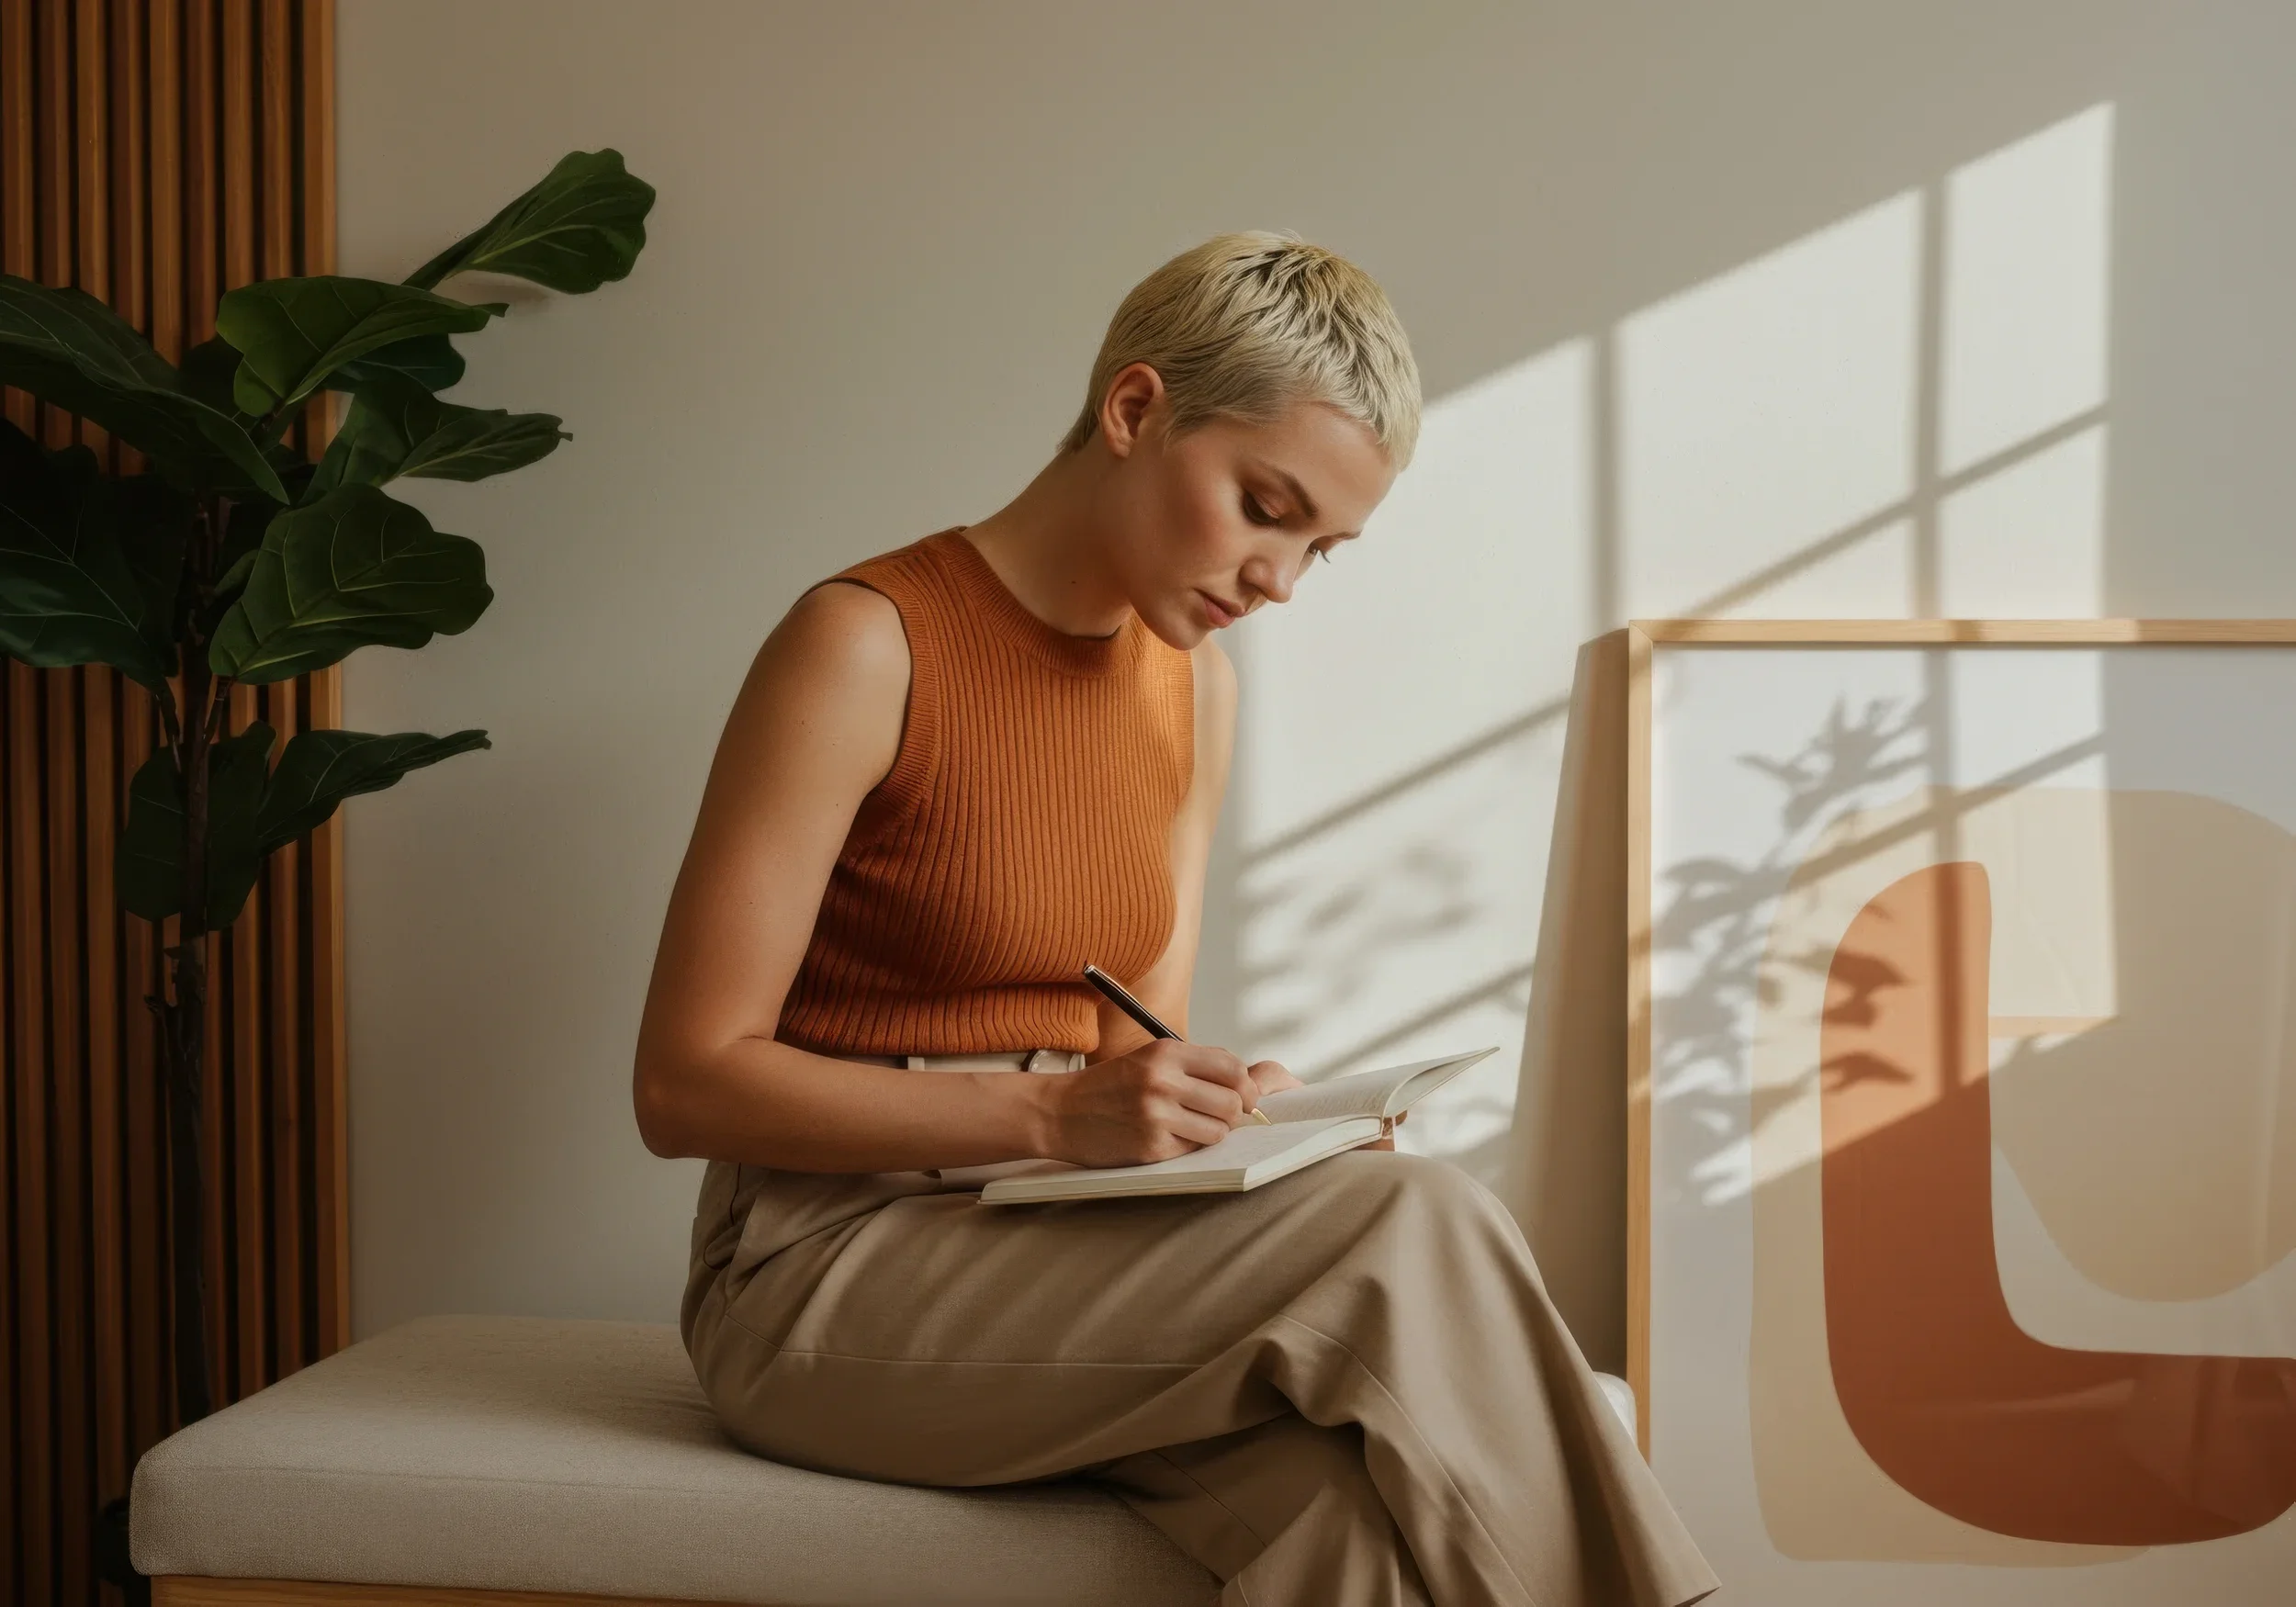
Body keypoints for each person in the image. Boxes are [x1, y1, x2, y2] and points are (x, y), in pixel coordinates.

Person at [634, 232, 1717, 1607]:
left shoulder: (1193, 691)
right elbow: (682, 1083)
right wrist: (1048, 1119)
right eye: (1265, 506)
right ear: (1135, 410)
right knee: (1409, 1219)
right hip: (816, 1275)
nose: (1278, 579)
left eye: (1319, 548)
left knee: (1353, 1525)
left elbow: (1127, 1047)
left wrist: (1234, 1115)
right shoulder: (865, 642)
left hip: (1052, 1241)